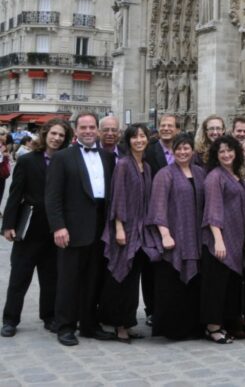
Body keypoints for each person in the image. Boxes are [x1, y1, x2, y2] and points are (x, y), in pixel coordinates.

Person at [46, 112, 116, 346]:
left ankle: (89, 324)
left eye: (92, 127)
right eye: (83, 127)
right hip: (72, 229)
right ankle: (65, 326)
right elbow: (53, 196)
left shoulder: (108, 157)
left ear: (97, 130)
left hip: (100, 227)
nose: (88, 131)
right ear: (75, 130)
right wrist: (59, 227)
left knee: (93, 279)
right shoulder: (62, 157)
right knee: (68, 280)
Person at [1, 119, 71, 338]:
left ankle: (49, 316)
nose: (56, 138)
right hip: (29, 227)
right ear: (45, 134)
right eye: (53, 133)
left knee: (51, 277)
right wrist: (8, 225)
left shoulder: (66, 162)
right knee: (19, 276)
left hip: (54, 228)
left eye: (61, 135)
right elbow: (15, 194)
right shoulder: (27, 161)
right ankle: (10, 319)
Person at [99, 124, 153, 343]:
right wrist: (119, 228)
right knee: (120, 276)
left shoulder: (146, 166)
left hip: (141, 231)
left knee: (133, 279)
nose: (139, 140)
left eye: (143, 136)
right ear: (128, 141)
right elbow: (118, 197)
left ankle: (128, 322)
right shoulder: (123, 164)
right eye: (135, 137)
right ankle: (118, 324)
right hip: (125, 229)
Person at [200, 136, 245, 344]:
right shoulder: (215, 177)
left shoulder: (236, 175)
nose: (227, 154)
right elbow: (213, 209)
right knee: (216, 285)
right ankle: (212, 327)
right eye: (221, 151)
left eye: (230, 150)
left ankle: (227, 323)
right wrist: (218, 240)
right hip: (220, 238)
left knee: (230, 285)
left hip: (236, 238)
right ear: (216, 155)